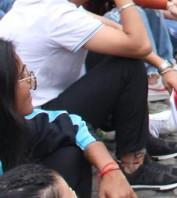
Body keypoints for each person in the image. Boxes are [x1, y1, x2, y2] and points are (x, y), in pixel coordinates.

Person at [0, 0, 177, 189]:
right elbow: (139, 44)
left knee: (116, 50)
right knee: (127, 65)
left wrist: (162, 64)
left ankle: (137, 138)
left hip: (24, 111)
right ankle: (134, 166)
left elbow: (108, 27)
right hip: (36, 119)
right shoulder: (60, 16)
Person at [0, 40, 137, 197]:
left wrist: (110, 170)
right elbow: (139, 44)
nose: (31, 82)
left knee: (69, 156)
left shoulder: (15, 123)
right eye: (23, 76)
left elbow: (73, 125)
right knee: (128, 67)